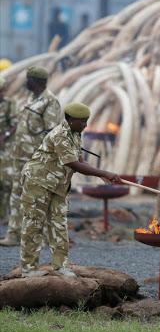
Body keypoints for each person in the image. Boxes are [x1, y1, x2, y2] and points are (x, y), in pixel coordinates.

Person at [19, 102, 121, 278]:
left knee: (59, 224)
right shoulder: (60, 134)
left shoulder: (75, 133)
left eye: (86, 121)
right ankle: (28, 269)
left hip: (58, 185)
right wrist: (103, 172)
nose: (85, 125)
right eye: (82, 121)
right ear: (70, 119)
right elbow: (72, 164)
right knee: (33, 224)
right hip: (38, 182)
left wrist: (102, 175)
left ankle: (60, 266)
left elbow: (80, 160)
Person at [0, 66, 61, 246]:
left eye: (28, 79)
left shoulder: (50, 102)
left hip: (36, 159)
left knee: (36, 198)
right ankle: (13, 234)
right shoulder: (31, 99)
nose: (26, 82)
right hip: (19, 157)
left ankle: (37, 237)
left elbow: (51, 133)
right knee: (16, 194)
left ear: (36, 81)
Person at [0, 76, 17, 221]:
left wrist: (4, 136)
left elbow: (14, 124)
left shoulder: (10, 104)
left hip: (5, 147)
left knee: (6, 182)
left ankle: (4, 214)